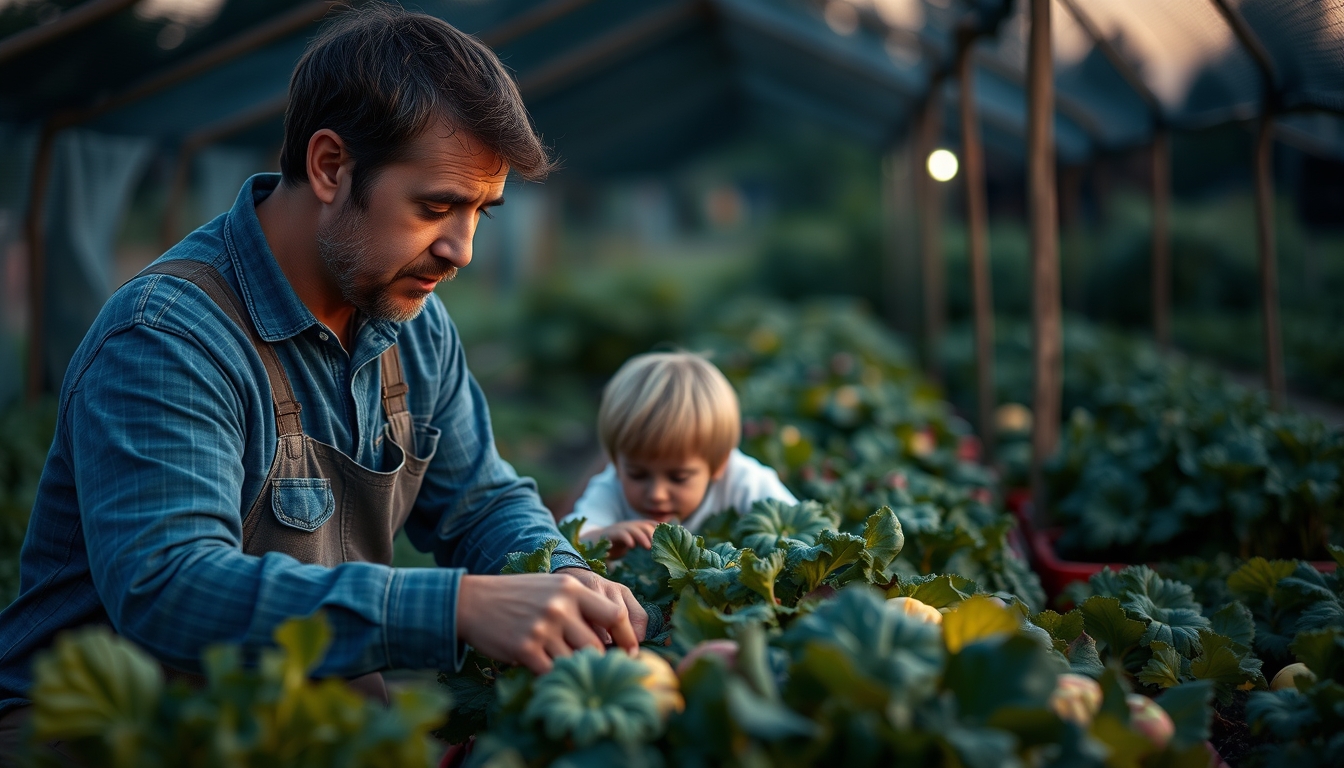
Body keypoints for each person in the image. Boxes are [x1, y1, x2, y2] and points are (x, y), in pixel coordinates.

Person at [0, 4, 646, 756]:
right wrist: (456, 607)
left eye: (480, 213)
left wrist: (567, 582)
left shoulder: (411, 319)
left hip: (301, 722)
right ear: (331, 166)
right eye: (436, 206)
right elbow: (169, 588)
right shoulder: (169, 336)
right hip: (117, 736)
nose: (461, 249)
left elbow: (480, 503)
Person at [560, 352, 797, 557]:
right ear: (615, 462)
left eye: (678, 478)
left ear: (719, 464)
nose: (656, 494)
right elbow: (565, 542)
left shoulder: (744, 481)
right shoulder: (610, 487)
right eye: (637, 474)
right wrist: (601, 538)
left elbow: (800, 529)